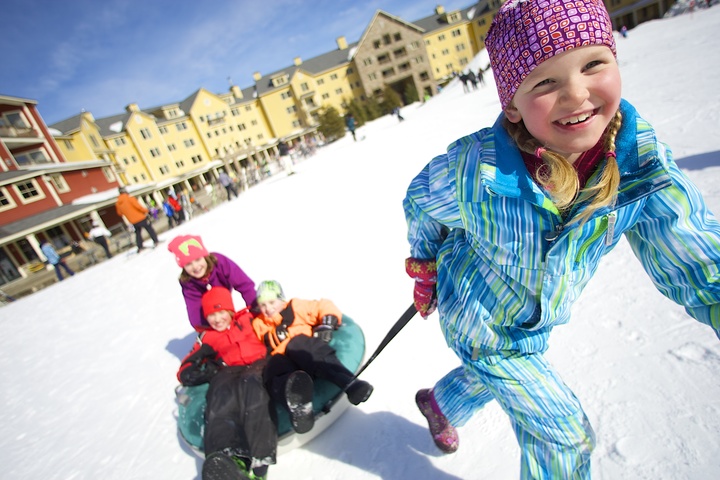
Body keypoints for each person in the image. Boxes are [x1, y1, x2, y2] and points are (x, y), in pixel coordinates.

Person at [402, 0, 720, 477]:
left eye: (593, 63)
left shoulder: (639, 163)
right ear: (511, 102)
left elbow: (694, 256)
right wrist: (425, 268)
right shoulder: (476, 172)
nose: (576, 94)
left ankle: (441, 403)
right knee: (563, 436)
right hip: (477, 319)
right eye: (545, 82)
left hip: (533, 320)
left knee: (508, 371)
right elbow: (422, 202)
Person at [177, 286, 275, 480]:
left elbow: (274, 320)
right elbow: (186, 366)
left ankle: (260, 461)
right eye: (212, 314)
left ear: (230, 310)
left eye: (221, 311)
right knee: (219, 400)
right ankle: (228, 460)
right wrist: (200, 372)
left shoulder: (248, 319)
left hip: (258, 364)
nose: (217, 318)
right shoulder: (208, 337)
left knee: (254, 390)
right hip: (228, 370)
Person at [252, 280, 373, 434]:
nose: (268, 308)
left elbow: (322, 305)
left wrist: (327, 323)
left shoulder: (295, 307)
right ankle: (299, 408)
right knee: (274, 366)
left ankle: (348, 382)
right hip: (287, 367)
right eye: (263, 305)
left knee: (297, 344)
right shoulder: (259, 324)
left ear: (281, 299)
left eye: (271, 302)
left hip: (305, 355)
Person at [168, 234, 257, 331]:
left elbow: (244, 284)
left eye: (198, 259)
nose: (195, 266)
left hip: (223, 295)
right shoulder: (188, 282)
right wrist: (208, 331)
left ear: (204, 257)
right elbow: (194, 309)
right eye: (188, 264)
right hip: (209, 309)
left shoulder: (220, 262)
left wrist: (255, 308)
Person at [115, 186, 159, 252]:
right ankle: (156, 241)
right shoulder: (129, 198)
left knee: (138, 233)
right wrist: (147, 211)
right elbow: (139, 207)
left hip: (132, 221)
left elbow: (120, 213)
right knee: (149, 229)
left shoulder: (118, 203)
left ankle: (140, 247)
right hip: (140, 217)